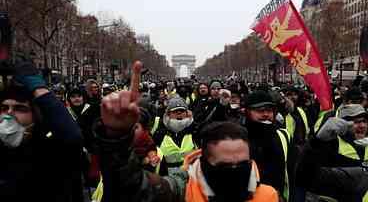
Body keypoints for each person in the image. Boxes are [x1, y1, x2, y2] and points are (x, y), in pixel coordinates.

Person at [94, 61, 279, 202]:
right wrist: (116, 137)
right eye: (224, 165)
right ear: (203, 159)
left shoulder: (269, 195)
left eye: (241, 163)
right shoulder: (183, 186)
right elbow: (132, 186)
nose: (234, 171)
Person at [0, 57, 83, 201]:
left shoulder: (52, 149)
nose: (9, 115)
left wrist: (36, 85)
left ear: (35, 115)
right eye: (4, 108)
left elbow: (73, 137)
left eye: (20, 109)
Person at [297, 104, 368, 201]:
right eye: (356, 122)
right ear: (342, 125)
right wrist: (317, 142)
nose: (362, 126)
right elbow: (306, 175)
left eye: (364, 121)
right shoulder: (331, 147)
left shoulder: (364, 145)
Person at [243, 90, 290, 200]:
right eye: (260, 111)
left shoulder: (283, 135)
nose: (266, 114)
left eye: (269, 110)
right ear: (247, 112)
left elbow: (293, 173)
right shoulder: (239, 138)